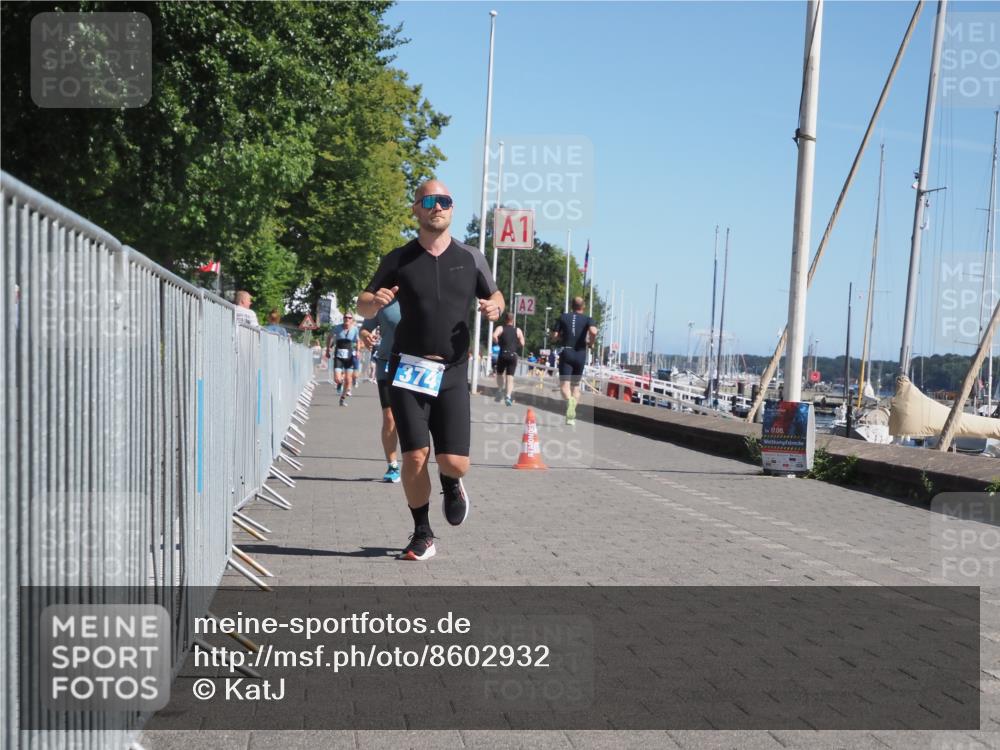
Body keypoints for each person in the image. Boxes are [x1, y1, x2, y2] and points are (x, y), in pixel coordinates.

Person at [357, 179, 503, 562]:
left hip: (453, 372)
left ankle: (451, 483)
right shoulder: (399, 259)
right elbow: (363, 302)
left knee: (455, 462)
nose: (437, 206)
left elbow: (495, 294)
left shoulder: (471, 257)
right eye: (429, 201)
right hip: (409, 370)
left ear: (452, 209)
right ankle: (422, 533)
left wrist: (496, 307)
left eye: (444, 201)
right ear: (416, 209)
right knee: (415, 455)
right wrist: (375, 301)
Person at [360, 300, 402, 483]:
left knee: (414, 419)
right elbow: (365, 328)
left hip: (415, 367)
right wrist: (365, 336)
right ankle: (392, 465)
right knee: (390, 417)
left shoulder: (424, 293)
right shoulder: (384, 301)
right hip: (387, 363)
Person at [551, 296, 598, 425]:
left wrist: (558, 337)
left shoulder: (563, 317)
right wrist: (591, 343)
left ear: (571, 306)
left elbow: (554, 336)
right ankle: (571, 416)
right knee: (576, 386)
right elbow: (594, 331)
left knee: (564, 386)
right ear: (584, 307)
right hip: (580, 354)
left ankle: (569, 401)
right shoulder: (588, 319)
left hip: (567, 352)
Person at [326, 312, 359, 406]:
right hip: (338, 357)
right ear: (343, 318)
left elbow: (358, 340)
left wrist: (358, 351)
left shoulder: (355, 329)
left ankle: (342, 399)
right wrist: (328, 349)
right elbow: (329, 337)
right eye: (345, 317)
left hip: (349, 357)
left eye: (349, 318)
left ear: (352, 320)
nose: (347, 319)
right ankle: (339, 383)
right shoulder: (337, 328)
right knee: (337, 379)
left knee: (348, 380)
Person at [492, 312, 523, 406]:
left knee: (499, 374)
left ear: (505, 319)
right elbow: (523, 343)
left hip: (503, 354)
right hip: (513, 355)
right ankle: (508, 396)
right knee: (510, 377)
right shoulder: (518, 330)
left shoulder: (501, 328)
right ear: (513, 320)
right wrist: (516, 345)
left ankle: (500, 390)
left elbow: (494, 336)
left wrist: (498, 342)